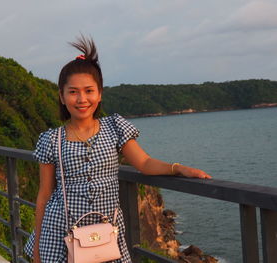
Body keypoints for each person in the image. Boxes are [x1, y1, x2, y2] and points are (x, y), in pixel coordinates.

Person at [24, 35, 211, 263]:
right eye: (73, 92)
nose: (82, 98)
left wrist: (178, 168)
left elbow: (143, 163)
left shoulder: (115, 127)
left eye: (89, 90)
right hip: (60, 233)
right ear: (62, 97)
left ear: (100, 93)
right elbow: (44, 196)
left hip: (105, 232)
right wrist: (37, 252)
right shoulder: (51, 139)